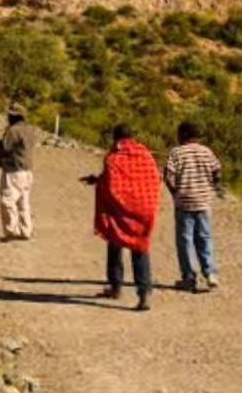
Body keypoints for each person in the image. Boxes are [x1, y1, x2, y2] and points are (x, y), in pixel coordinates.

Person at [84, 125, 162, 311]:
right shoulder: (146, 155)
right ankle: (144, 294)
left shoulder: (113, 158)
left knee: (115, 243)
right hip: (145, 208)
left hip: (121, 211)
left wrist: (97, 182)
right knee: (140, 248)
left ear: (116, 138)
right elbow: (154, 179)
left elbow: (111, 185)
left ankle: (116, 286)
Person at [164, 121, 223, 292]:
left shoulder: (176, 152)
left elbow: (168, 176)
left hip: (184, 202)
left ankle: (189, 278)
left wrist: (175, 193)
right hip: (204, 202)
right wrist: (213, 187)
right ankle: (210, 273)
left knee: (185, 241)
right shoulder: (207, 151)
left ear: (182, 135)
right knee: (205, 237)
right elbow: (217, 171)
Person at [0, 104, 38, 241]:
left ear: (13, 116)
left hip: (14, 171)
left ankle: (11, 232)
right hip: (27, 171)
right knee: (23, 202)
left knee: (7, 201)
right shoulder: (30, 130)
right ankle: (26, 231)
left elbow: (2, 147)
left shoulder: (14, 130)